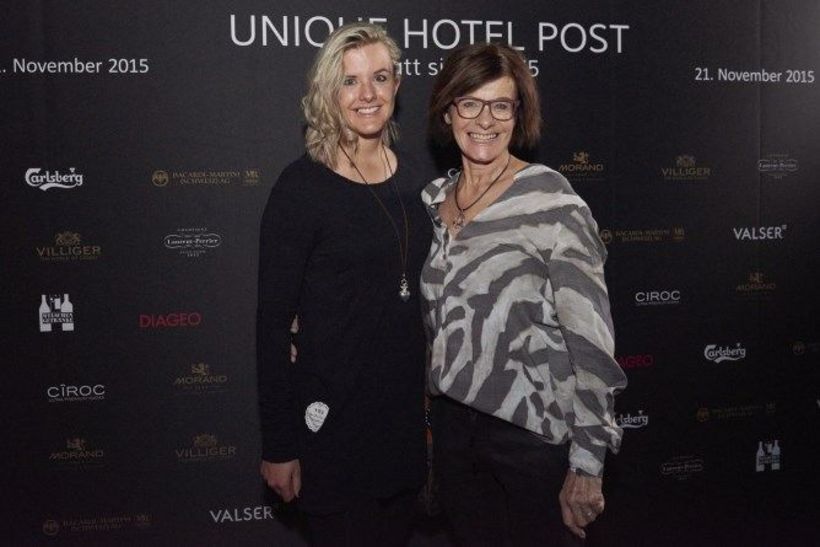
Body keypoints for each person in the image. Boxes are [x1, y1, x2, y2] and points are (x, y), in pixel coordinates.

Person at [421, 43, 628, 546]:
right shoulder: (433, 200)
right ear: (448, 112)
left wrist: (588, 461)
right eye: (470, 103)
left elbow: (591, 343)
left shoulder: (552, 201)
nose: (484, 120)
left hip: (530, 440)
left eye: (501, 105)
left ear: (518, 114)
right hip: (452, 435)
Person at [256, 23, 430, 547]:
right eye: (350, 81)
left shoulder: (419, 178)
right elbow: (271, 325)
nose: (367, 94)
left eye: (379, 77)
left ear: (397, 84)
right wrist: (279, 446)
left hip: (402, 426)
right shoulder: (301, 186)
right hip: (331, 426)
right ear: (329, 91)